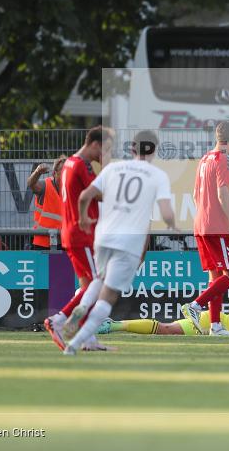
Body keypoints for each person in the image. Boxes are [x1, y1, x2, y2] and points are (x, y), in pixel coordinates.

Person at [61, 130, 176, 355]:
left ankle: (81, 307)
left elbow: (85, 196)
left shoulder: (113, 169)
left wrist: (83, 217)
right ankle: (74, 345)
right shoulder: (157, 175)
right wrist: (172, 223)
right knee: (108, 296)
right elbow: (166, 213)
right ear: (154, 151)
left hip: (103, 236)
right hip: (128, 241)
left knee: (97, 280)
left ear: (132, 148)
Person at [44, 126, 113, 350]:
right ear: (95, 144)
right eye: (105, 148)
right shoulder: (82, 165)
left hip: (72, 232)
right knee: (97, 283)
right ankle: (58, 320)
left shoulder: (69, 164)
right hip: (82, 233)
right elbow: (100, 194)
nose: (103, 153)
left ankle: (88, 338)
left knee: (87, 286)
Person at [181, 120, 229, 336]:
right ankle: (196, 306)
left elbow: (195, 195)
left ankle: (215, 326)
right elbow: (222, 194)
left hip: (201, 225)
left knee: (216, 278)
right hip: (216, 227)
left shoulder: (205, 159)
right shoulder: (225, 159)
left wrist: (205, 215)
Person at [101, 282, 229, 337]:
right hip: (211, 324)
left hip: (216, 322)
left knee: (165, 328)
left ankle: (112, 325)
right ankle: (112, 326)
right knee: (165, 329)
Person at [27, 155, 67, 249]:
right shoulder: (45, 185)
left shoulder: (70, 189)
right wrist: (37, 172)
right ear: (54, 173)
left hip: (63, 241)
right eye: (62, 170)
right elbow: (31, 184)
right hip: (42, 241)